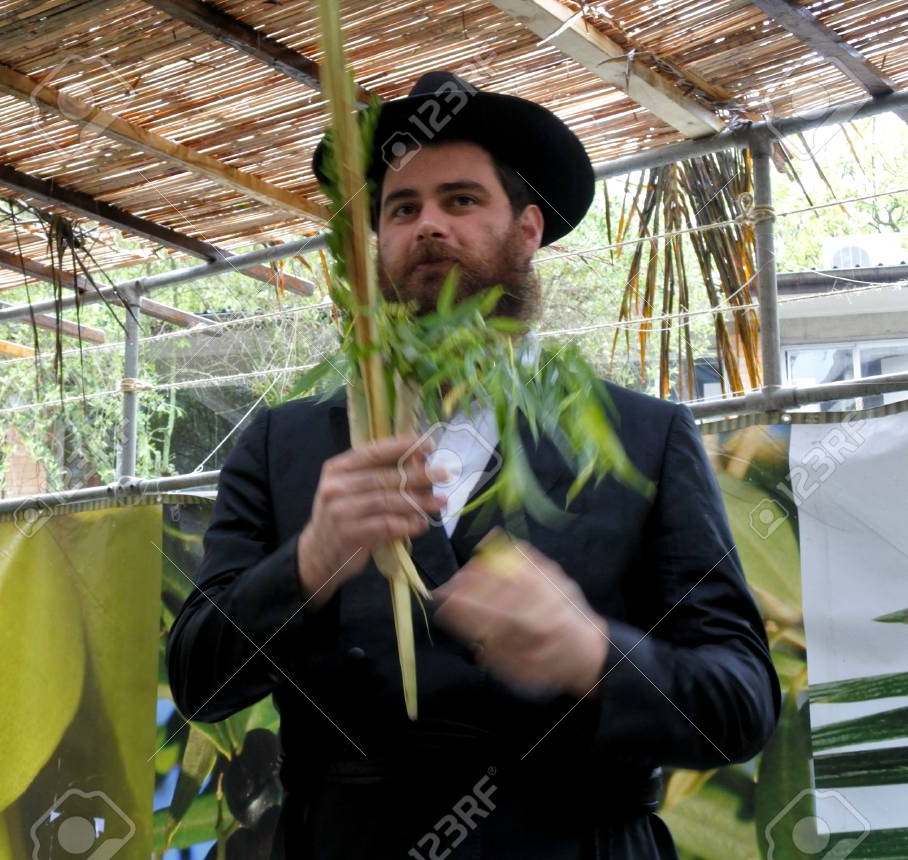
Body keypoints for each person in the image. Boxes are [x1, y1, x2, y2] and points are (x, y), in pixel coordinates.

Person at [166, 71, 780, 859]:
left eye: (460, 201)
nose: (428, 226)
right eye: (402, 208)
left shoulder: (646, 436)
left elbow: (740, 704)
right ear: (371, 245)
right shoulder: (283, 444)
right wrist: (309, 563)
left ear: (527, 229)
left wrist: (595, 652)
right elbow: (199, 681)